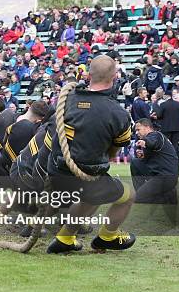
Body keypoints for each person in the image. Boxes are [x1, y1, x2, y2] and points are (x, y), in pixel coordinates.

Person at [46, 56, 136, 254]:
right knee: (128, 195)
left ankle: (65, 238)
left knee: (92, 196)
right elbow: (115, 150)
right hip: (85, 175)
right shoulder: (118, 113)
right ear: (114, 77)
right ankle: (108, 237)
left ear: (88, 75)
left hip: (55, 171)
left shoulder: (67, 99)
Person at [131, 118, 179, 204]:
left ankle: (164, 197)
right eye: (136, 131)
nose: (136, 133)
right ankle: (166, 194)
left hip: (165, 176)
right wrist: (143, 155)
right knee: (136, 162)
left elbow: (152, 142)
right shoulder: (157, 137)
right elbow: (154, 154)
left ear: (147, 127)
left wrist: (145, 142)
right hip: (161, 174)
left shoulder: (155, 135)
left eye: (138, 129)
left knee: (138, 198)